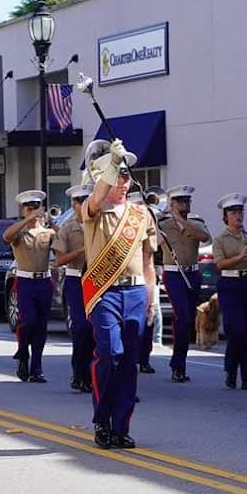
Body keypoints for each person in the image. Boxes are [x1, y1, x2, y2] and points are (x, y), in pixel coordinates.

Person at [81, 140, 156, 449]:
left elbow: (149, 260)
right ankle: (102, 419)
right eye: (117, 175)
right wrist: (111, 162)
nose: (123, 182)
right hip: (105, 293)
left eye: (126, 175)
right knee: (110, 354)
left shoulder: (141, 215)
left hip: (137, 292)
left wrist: (152, 299)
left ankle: (121, 425)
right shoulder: (91, 210)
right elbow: (98, 198)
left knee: (129, 363)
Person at [3, 189, 56, 383]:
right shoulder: (20, 231)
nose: (33, 210)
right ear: (23, 210)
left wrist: (51, 222)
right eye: (29, 207)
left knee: (41, 326)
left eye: (36, 207)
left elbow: (62, 244)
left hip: (44, 280)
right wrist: (28, 220)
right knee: (28, 320)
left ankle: (37, 367)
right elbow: (6, 237)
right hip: (25, 280)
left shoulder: (48, 232)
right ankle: (23, 351)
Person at [158, 186, 210, 383]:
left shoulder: (196, 222)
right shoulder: (162, 223)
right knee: (183, 315)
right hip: (173, 274)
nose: (184, 205)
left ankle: (180, 363)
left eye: (187, 202)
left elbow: (204, 238)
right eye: (180, 202)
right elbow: (152, 244)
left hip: (193, 273)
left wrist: (181, 221)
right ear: (171, 204)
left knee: (187, 321)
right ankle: (177, 364)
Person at [212, 194, 247, 390]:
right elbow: (219, 264)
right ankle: (231, 369)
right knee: (237, 330)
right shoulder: (220, 239)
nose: (238, 216)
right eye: (233, 213)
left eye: (240, 212)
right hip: (231, 284)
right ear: (226, 216)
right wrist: (239, 256)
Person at [54, 184, 94, 393]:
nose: (86, 205)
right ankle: (79, 373)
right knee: (81, 327)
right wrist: (82, 249)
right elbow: (59, 260)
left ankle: (91, 375)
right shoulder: (67, 229)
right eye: (82, 202)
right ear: (74, 205)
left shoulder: (99, 224)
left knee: (96, 329)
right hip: (75, 280)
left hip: (97, 280)